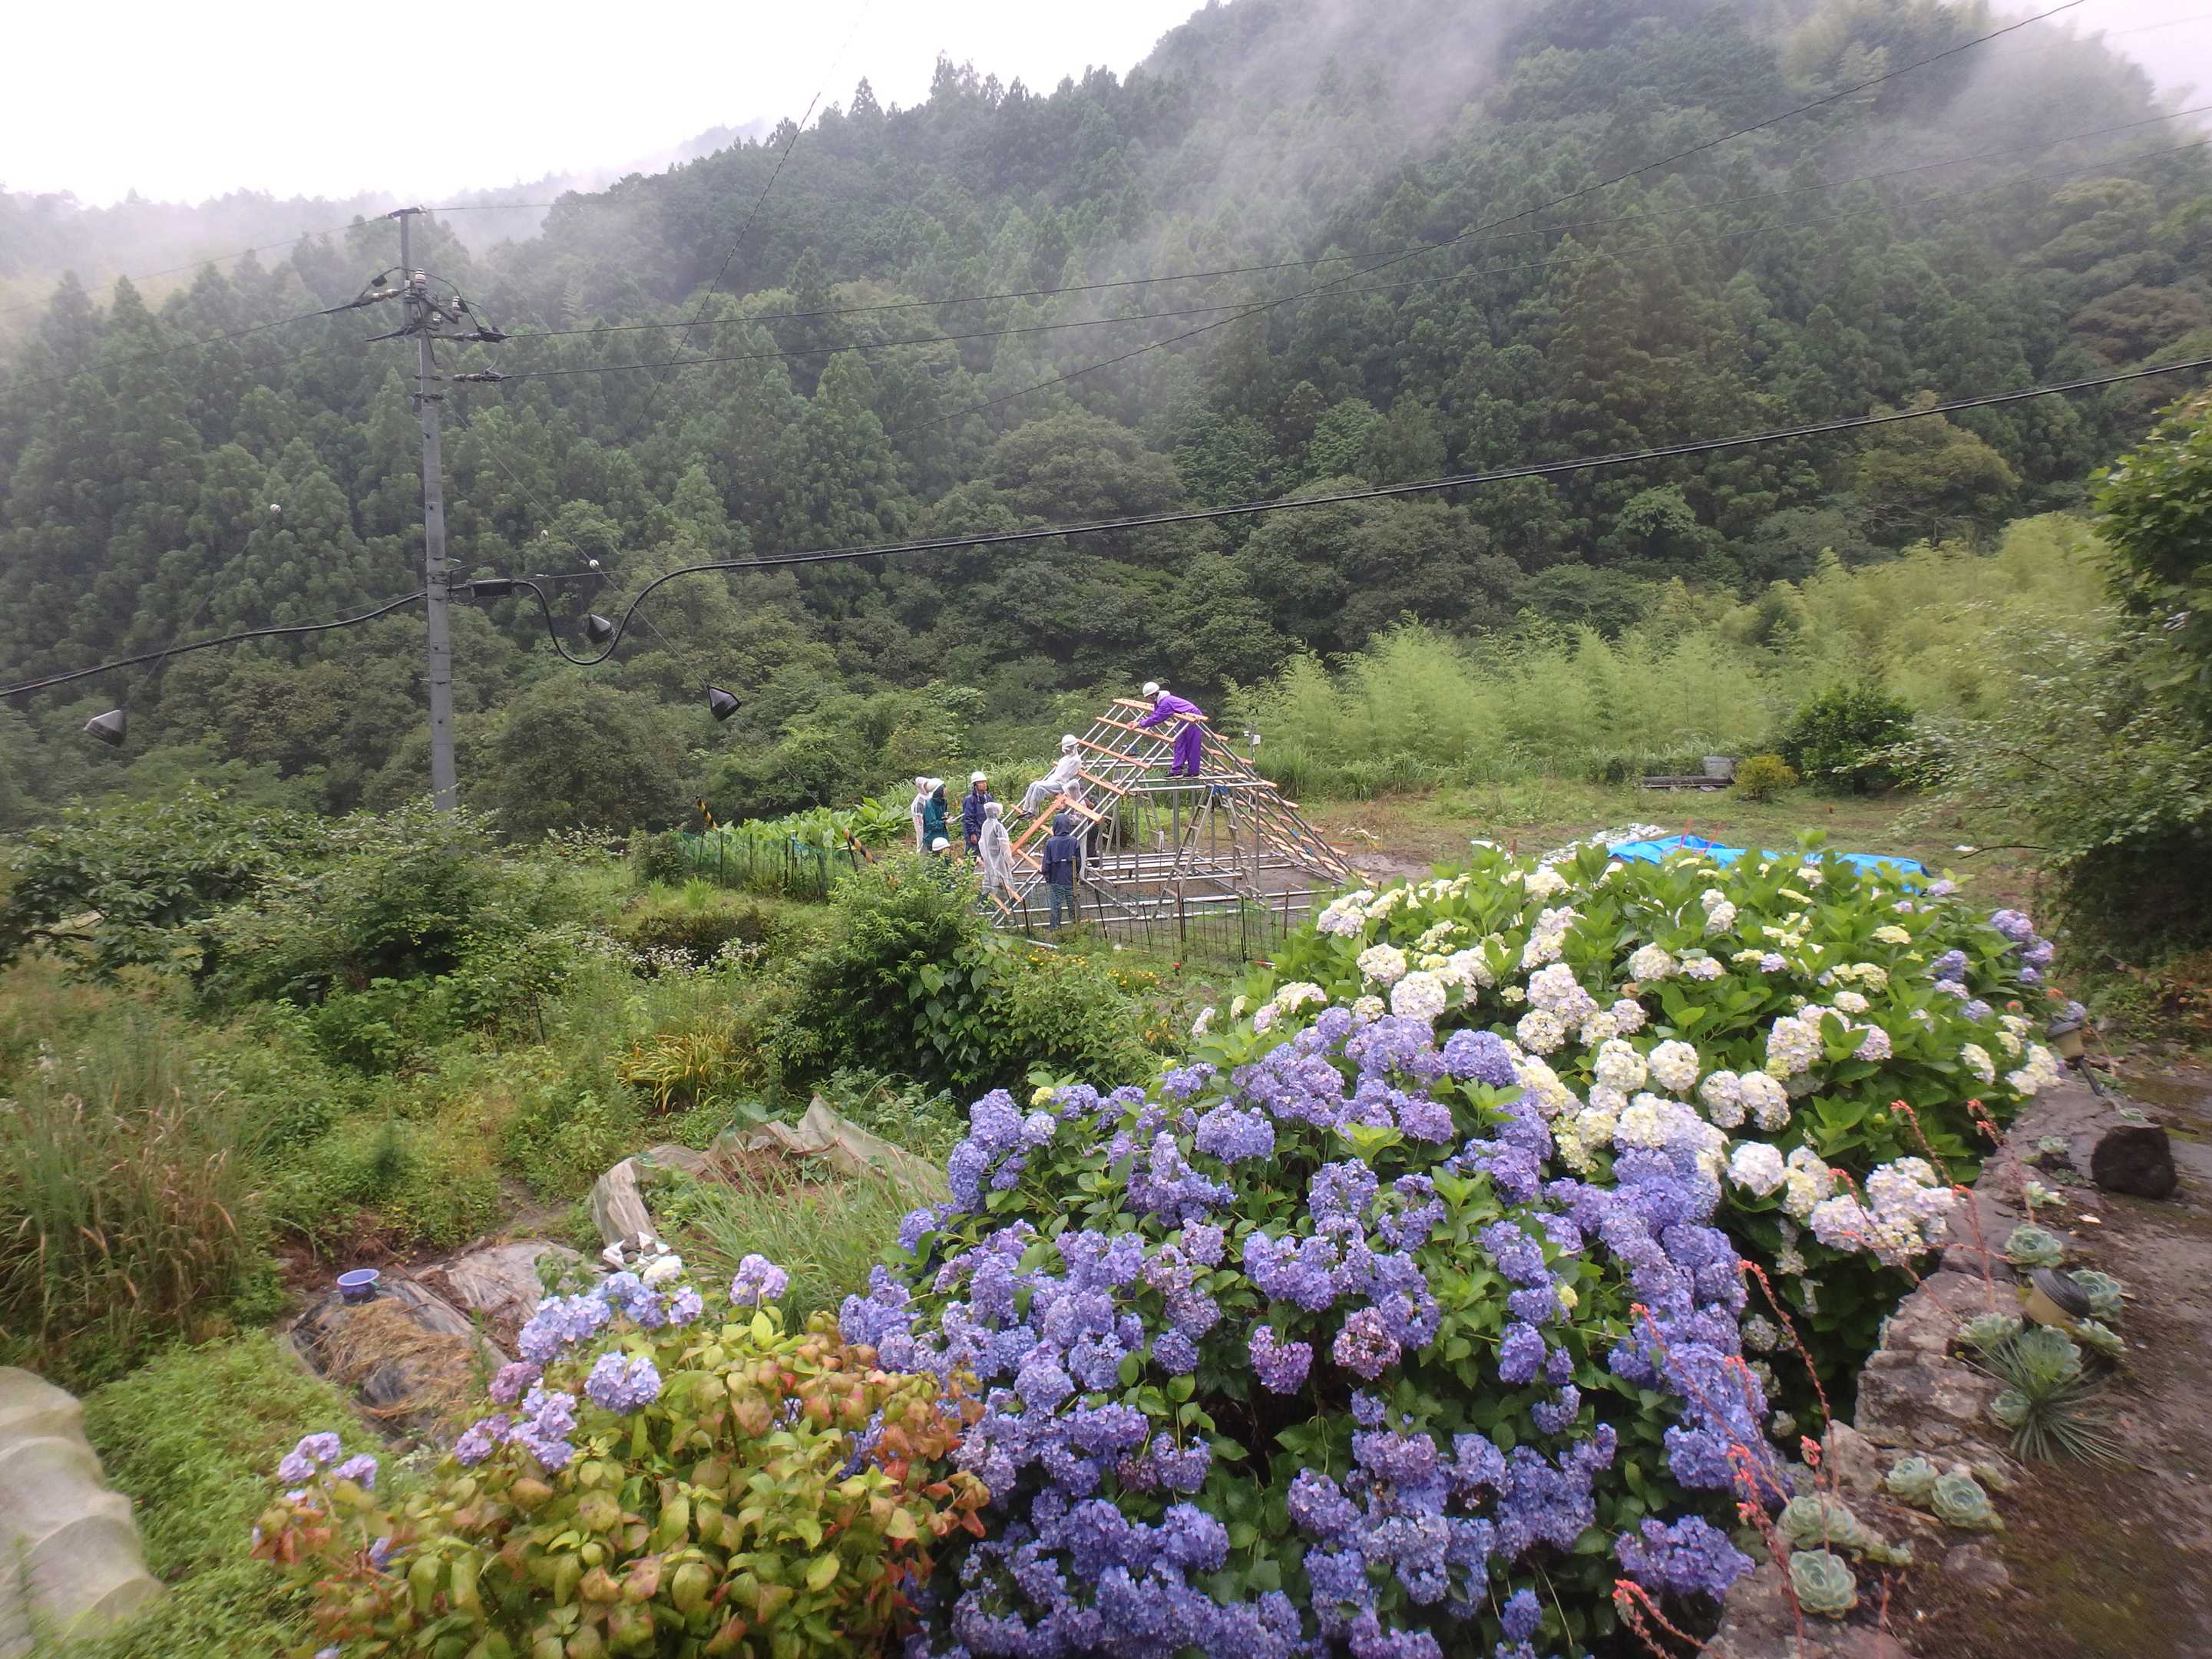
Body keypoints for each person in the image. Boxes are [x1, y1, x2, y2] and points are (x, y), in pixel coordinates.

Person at [1136, 680, 1206, 778]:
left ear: (1153, 696)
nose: (1147, 700)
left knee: (1192, 744)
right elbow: (1155, 714)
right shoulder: (1160, 702)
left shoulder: (1166, 702)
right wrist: (1141, 722)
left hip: (1194, 717)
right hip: (1185, 718)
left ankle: (1193, 771)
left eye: (1148, 697)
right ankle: (1176, 771)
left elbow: (1157, 718)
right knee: (1180, 743)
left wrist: (1140, 724)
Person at [1021, 735, 1084, 817]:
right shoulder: (1064, 759)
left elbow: (1064, 776)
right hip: (1055, 781)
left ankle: (1033, 811)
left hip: (1062, 785)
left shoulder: (1076, 760)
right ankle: (1026, 808)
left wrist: (1052, 781)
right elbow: (1058, 773)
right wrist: (1050, 780)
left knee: (1039, 787)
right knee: (1033, 785)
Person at [1040, 810, 1082, 929]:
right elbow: (1078, 861)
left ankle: (1055, 927)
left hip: (1056, 877)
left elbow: (1046, 863)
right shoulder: (1073, 841)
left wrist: (1046, 874)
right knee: (1073, 902)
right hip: (1070, 877)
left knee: (1056, 904)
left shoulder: (1050, 843)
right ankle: (1076, 926)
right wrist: (1076, 874)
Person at [977, 801, 1015, 901]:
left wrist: (985, 855)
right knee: (1004, 876)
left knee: (990, 875)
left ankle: (986, 897)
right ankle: (1011, 898)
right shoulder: (997, 826)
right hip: (997, 856)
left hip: (989, 856)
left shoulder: (986, 824)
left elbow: (981, 842)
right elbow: (1004, 843)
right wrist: (1009, 858)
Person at [961, 771, 991, 856]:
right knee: (972, 855)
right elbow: (968, 818)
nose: (984, 784)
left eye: (984, 782)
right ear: (975, 785)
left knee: (986, 855)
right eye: (981, 782)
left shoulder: (988, 798)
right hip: (975, 831)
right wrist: (972, 833)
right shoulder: (970, 799)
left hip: (985, 830)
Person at [921, 779, 950, 852]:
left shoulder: (943, 802)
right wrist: (945, 822)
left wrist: (947, 818)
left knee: (946, 855)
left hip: (942, 834)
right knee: (935, 856)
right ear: (938, 790)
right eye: (943, 788)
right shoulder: (929, 805)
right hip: (932, 837)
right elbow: (931, 823)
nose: (946, 789)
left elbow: (943, 815)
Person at [908, 775, 931, 854]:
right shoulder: (919, 802)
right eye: (925, 785)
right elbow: (919, 822)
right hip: (923, 825)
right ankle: (922, 856)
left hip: (929, 824)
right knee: (922, 841)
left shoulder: (929, 796)